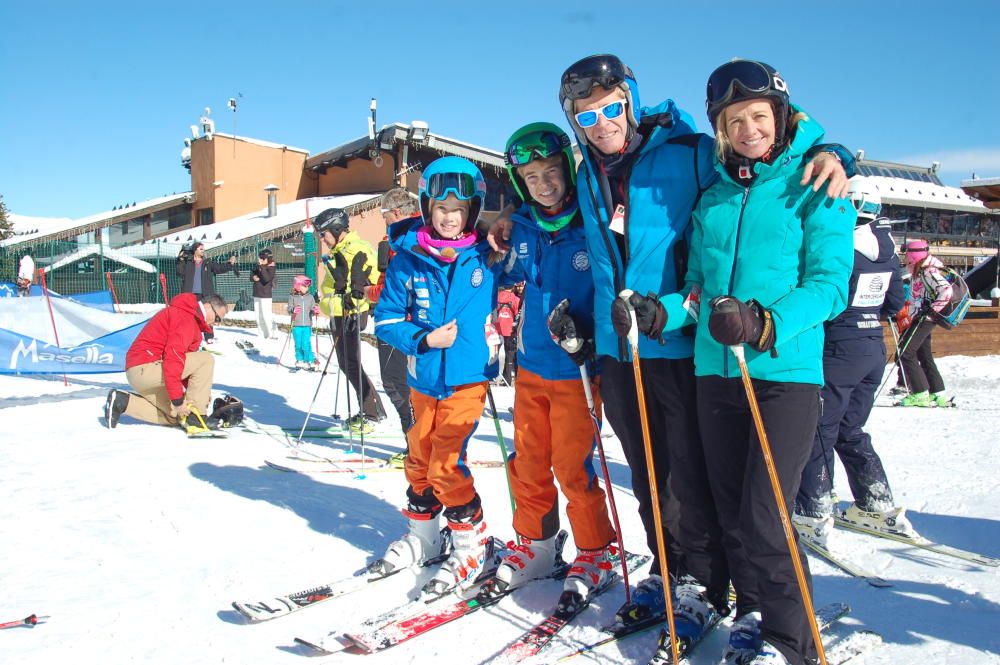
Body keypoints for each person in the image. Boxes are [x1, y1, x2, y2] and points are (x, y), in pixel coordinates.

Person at [549, 53, 851, 635]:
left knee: (697, 486)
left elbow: (779, 191)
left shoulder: (689, 152)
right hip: (630, 345)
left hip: (704, 354)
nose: (603, 123)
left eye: (612, 108)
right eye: (587, 117)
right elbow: (575, 233)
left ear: (631, 101)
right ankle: (672, 574)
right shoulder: (589, 170)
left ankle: (714, 589)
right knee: (650, 477)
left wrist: (834, 152)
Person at [644, 59, 853, 665]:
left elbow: (830, 284)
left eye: (759, 116)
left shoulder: (819, 184)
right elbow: (698, 289)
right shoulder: (713, 196)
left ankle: (795, 643)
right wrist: (661, 313)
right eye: (735, 120)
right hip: (715, 373)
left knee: (766, 521)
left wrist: (766, 322)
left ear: (781, 118)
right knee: (730, 511)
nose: (749, 129)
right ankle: (754, 612)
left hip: (782, 377)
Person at [490, 122, 619, 601]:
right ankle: (540, 544)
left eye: (550, 171)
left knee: (571, 467)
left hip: (578, 372)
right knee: (528, 463)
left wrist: (593, 336)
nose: (543, 184)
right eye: (530, 177)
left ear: (567, 168)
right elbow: (507, 272)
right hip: (530, 368)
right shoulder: (522, 225)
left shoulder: (594, 222)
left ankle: (595, 550)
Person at [372, 156, 503, 597]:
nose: (450, 217)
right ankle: (426, 539)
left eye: (459, 210)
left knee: (446, 463)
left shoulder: (487, 255)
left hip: (467, 381)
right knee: (418, 460)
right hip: (423, 379)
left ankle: (471, 544)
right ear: (428, 207)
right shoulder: (407, 259)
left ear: (472, 212)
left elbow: (527, 263)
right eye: (442, 208)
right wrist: (424, 340)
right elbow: (386, 320)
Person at [794, 176, 912, 548]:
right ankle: (875, 501)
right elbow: (895, 304)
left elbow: (824, 296)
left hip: (839, 348)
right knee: (851, 429)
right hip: (872, 348)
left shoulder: (840, 245)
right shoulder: (887, 249)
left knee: (819, 430)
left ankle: (812, 511)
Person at [104, 293, 231, 433]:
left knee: (177, 415)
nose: (218, 323)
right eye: (218, 318)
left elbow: (186, 367)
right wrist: (178, 400)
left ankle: (122, 402)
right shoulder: (185, 318)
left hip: (141, 373)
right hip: (146, 368)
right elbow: (174, 360)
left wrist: (199, 392)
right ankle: (197, 417)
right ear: (208, 307)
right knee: (206, 359)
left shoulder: (191, 321)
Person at [316, 207, 387, 432]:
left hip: (352, 311)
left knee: (351, 363)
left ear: (337, 230)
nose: (322, 239)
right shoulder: (340, 249)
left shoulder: (358, 248)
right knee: (347, 363)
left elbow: (375, 279)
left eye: (324, 234)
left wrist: (358, 290)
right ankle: (373, 408)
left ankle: (371, 411)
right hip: (337, 312)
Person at [366, 188, 419, 439]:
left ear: (396, 213)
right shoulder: (415, 235)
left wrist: (370, 291)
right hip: (410, 325)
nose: (384, 222)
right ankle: (417, 445)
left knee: (397, 384)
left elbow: (395, 287)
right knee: (403, 384)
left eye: (384, 216)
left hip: (401, 324)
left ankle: (415, 445)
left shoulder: (405, 241)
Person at [895, 238, 952, 407]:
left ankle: (920, 393)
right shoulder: (919, 270)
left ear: (914, 255)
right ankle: (938, 392)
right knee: (923, 354)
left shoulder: (928, 271)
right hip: (921, 316)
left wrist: (932, 310)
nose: (904, 257)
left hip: (925, 318)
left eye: (907, 254)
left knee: (905, 352)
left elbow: (946, 290)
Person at [175, 241, 238, 344]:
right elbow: (180, 273)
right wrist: (180, 259)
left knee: (207, 315)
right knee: (189, 315)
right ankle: (189, 336)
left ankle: (209, 336)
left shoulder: (207, 263)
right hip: (189, 294)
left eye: (203, 249)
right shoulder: (188, 262)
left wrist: (229, 264)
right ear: (195, 250)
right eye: (201, 249)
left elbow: (219, 268)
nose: (203, 251)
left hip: (205, 295)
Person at [288, 275, 321, 371]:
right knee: (298, 344)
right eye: (304, 286)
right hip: (296, 325)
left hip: (307, 325)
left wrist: (315, 311)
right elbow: (289, 309)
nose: (307, 288)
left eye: (307, 286)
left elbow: (312, 309)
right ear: (298, 286)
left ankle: (310, 360)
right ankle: (300, 360)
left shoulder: (310, 297)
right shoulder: (292, 297)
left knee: (305, 344)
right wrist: (293, 310)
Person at [495, 283, 523, 385]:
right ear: (512, 287)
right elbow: (517, 314)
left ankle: (492, 375)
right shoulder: (515, 299)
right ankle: (507, 378)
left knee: (494, 354)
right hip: (510, 329)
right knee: (509, 355)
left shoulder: (497, 296)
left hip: (497, 329)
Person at [251, 248, 277, 340]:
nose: (261, 259)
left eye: (263, 258)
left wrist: (262, 267)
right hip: (257, 292)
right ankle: (261, 334)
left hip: (265, 294)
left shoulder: (271, 267)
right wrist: (253, 277)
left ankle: (271, 334)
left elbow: (266, 279)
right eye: (260, 257)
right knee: (258, 316)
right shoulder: (258, 265)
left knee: (266, 315)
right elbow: (252, 274)